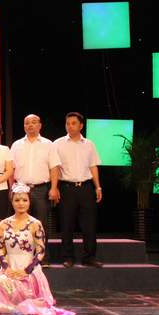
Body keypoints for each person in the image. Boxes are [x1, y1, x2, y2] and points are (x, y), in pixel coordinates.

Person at [0, 184, 75, 315]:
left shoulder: (35, 224)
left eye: (24, 200)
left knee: (28, 298)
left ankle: (20, 304)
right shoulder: (4, 224)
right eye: (17, 200)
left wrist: (26, 271)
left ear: (29, 202)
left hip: (30, 269)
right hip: (9, 269)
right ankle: (10, 305)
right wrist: (6, 268)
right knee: (1, 284)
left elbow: (40, 251)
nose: (21, 203)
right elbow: (1, 250)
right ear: (12, 201)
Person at [10, 114, 62, 264]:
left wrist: (54, 188)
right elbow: (11, 168)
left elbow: (54, 168)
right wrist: (11, 188)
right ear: (24, 126)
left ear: (40, 125)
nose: (30, 125)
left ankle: (42, 258)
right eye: (27, 123)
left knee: (41, 224)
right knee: (21, 224)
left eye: (33, 122)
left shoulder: (48, 144)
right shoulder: (16, 145)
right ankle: (22, 258)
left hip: (41, 189)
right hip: (20, 190)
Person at [54, 112, 103, 268]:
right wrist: (55, 187)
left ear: (81, 125)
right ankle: (68, 257)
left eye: (73, 123)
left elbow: (93, 166)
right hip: (67, 188)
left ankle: (89, 257)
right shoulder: (58, 144)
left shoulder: (89, 144)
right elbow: (55, 168)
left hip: (86, 187)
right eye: (67, 123)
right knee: (66, 224)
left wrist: (98, 186)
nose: (70, 126)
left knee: (89, 224)